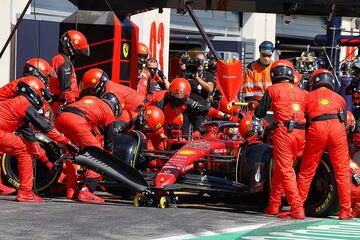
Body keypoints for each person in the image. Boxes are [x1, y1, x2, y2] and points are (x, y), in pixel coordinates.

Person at [0, 76, 78, 203]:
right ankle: (25, 192)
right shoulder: (23, 104)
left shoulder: (17, 110)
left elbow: (32, 143)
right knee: (23, 151)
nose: (42, 100)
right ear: (34, 92)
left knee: (25, 147)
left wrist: (47, 163)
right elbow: (46, 127)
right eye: (41, 95)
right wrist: (67, 142)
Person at [254, 59, 307, 219]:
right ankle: (274, 205)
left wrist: (258, 106)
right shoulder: (302, 92)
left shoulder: (273, 89)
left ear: (274, 74)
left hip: (284, 132)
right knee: (282, 168)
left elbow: (259, 113)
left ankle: (297, 208)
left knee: (285, 170)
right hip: (301, 133)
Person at [297, 69, 353, 220]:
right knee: (342, 172)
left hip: (317, 128)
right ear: (331, 82)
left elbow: (302, 121)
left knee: (307, 171)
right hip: (337, 130)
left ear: (313, 82)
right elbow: (345, 122)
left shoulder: (307, 96)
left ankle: (298, 209)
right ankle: (345, 212)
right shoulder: (339, 98)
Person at [0, 58, 56, 195]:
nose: (47, 80)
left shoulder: (23, 85)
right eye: (46, 76)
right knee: (19, 149)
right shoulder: (23, 86)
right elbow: (27, 124)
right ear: (39, 74)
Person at [54, 92, 121, 203]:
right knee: (98, 155)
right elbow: (108, 144)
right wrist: (109, 159)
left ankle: (71, 190)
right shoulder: (109, 113)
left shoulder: (90, 98)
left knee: (72, 154)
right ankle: (87, 190)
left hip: (61, 117)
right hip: (77, 121)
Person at [50, 30, 90, 114]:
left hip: (56, 103)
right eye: (78, 51)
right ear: (71, 48)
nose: (78, 54)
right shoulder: (65, 63)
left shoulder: (57, 59)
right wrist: (73, 106)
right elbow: (66, 90)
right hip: (64, 105)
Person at [80, 68, 145, 112]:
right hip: (139, 105)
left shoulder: (109, 94)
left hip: (138, 109)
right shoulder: (108, 86)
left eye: (89, 90)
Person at [182, 52, 215, 137]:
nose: (200, 63)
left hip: (200, 109)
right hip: (186, 108)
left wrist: (197, 78)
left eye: (201, 61)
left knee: (198, 134)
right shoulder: (188, 73)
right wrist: (184, 70)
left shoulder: (208, 75)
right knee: (183, 134)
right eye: (197, 61)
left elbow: (210, 88)